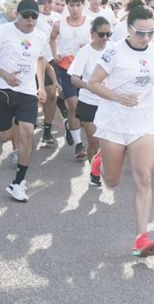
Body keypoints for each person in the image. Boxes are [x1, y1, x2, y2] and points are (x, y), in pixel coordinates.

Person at [87, 5, 154, 258]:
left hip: (142, 123)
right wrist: (117, 97)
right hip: (114, 122)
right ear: (128, 29)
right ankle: (99, 161)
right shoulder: (114, 52)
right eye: (140, 33)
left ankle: (141, 238)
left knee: (145, 178)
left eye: (150, 33)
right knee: (112, 181)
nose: (146, 38)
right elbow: (93, 83)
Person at [0, 0, 48, 202]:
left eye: (34, 16)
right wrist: (5, 75)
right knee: (3, 136)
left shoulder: (40, 36)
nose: (30, 20)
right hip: (2, 89)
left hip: (27, 91)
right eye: (26, 15)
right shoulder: (2, 32)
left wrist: (42, 86)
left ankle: (18, 182)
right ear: (17, 14)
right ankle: (6, 131)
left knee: (28, 131)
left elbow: (40, 59)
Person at [68, 17, 111, 186]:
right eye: (101, 34)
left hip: (109, 102)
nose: (106, 38)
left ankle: (100, 165)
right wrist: (89, 86)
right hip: (89, 102)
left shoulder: (114, 49)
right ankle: (94, 173)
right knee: (94, 141)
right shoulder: (85, 52)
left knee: (108, 141)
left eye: (109, 34)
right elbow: (73, 79)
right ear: (92, 34)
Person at [50, 0, 89, 160]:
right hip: (66, 67)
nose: (74, 9)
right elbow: (52, 39)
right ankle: (79, 145)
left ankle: (69, 125)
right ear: (67, 6)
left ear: (83, 5)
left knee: (83, 107)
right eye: (71, 5)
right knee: (73, 105)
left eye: (78, 5)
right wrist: (55, 53)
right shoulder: (59, 24)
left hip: (85, 68)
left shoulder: (90, 23)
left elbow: (98, 42)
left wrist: (88, 45)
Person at [35, 0, 62, 145]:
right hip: (32, 59)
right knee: (36, 96)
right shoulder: (34, 16)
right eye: (42, 2)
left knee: (52, 94)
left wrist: (57, 54)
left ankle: (47, 130)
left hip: (50, 59)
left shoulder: (58, 18)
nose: (46, 6)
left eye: (49, 2)